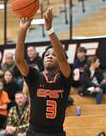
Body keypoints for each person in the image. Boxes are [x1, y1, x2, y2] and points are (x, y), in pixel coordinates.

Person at [15, 8, 72, 136]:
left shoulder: (64, 77)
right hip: (34, 132)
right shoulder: (35, 76)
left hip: (56, 132)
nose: (50, 56)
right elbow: (18, 60)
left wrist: (50, 30)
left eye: (54, 55)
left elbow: (62, 58)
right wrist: (23, 30)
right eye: (47, 54)